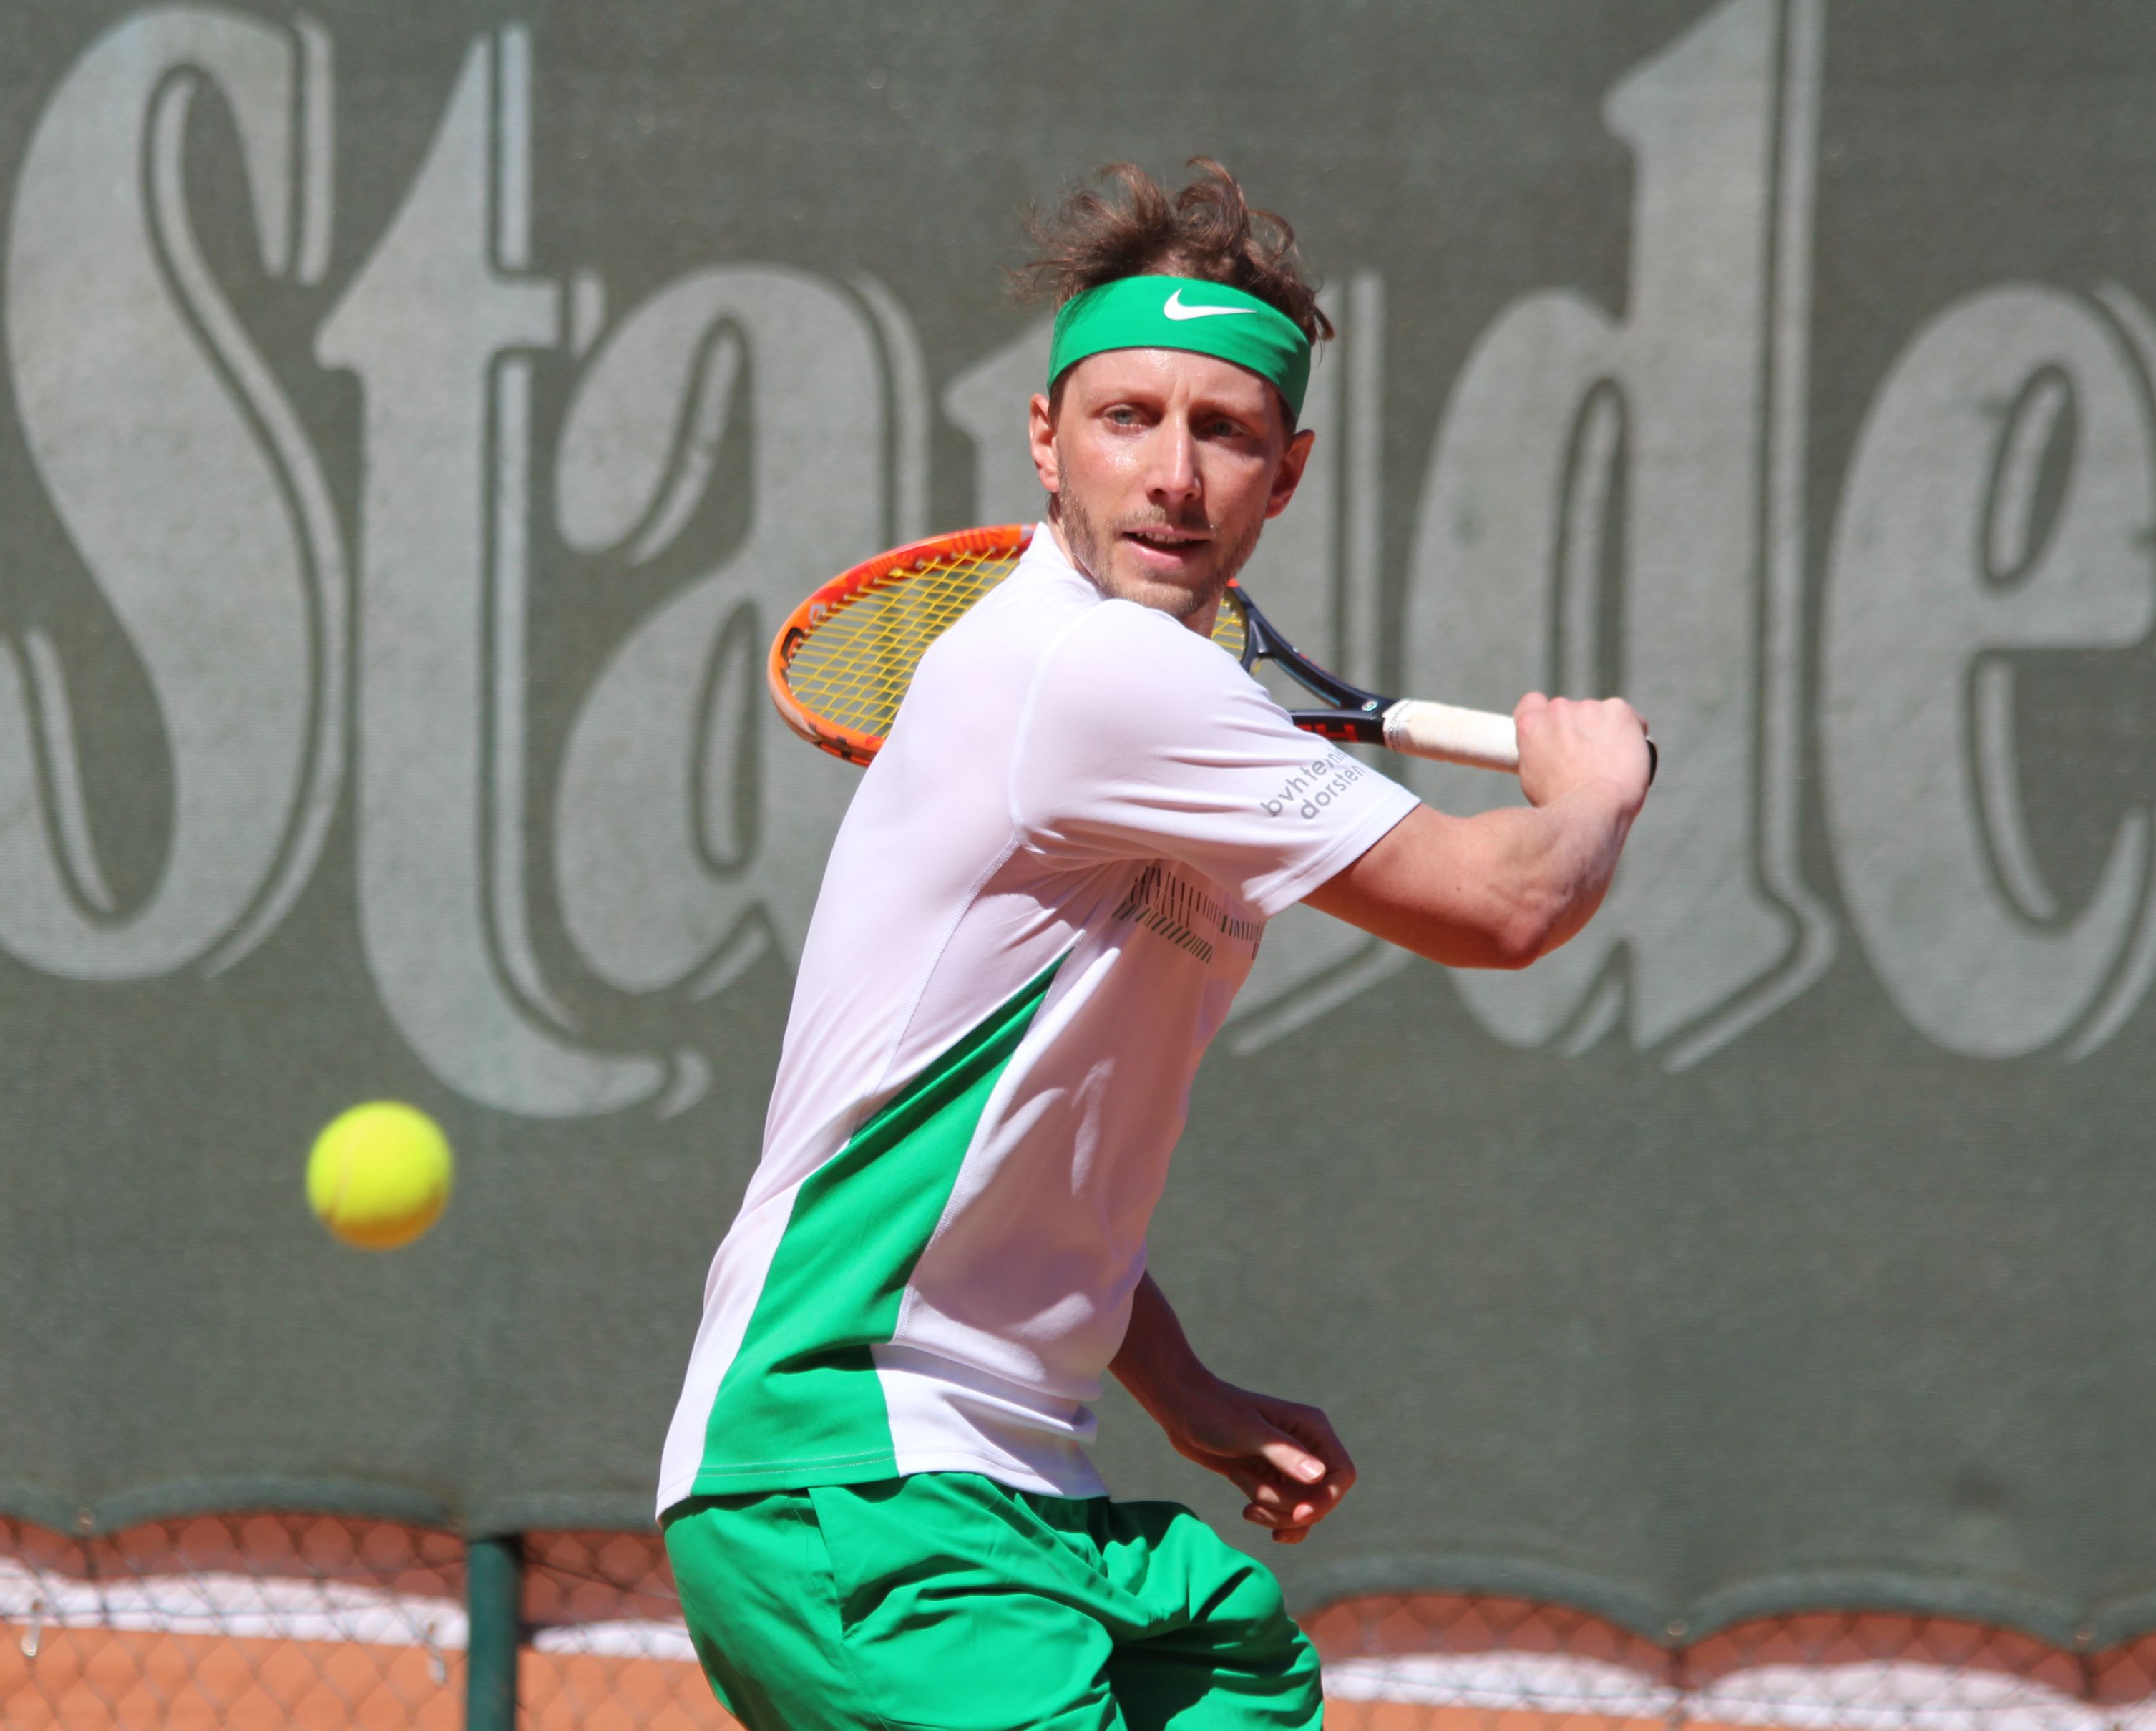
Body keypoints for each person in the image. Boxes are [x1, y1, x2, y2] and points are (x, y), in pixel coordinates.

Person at [655, 160, 1653, 1731]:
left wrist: (1179, 1386)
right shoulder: (1091, 672)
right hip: (852, 1472)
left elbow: (1035, 1133)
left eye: (1224, 431)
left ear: (1286, 472)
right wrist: (1592, 795)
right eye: (1128, 418)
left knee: (1245, 1677)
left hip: (1031, 1486)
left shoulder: (1166, 706)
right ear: (1046, 438)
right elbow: (1505, 903)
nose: (1173, 475)